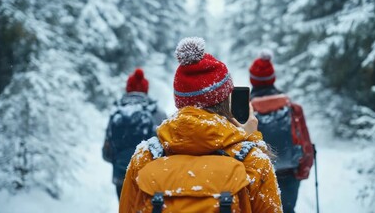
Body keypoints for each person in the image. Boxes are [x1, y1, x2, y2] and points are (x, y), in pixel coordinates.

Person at [119, 37, 283, 212]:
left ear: (180, 102)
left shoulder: (145, 157)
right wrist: (253, 141)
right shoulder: (253, 161)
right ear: (226, 100)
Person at [249, 50, 314, 213]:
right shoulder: (291, 108)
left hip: (257, 176)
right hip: (289, 173)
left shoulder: (245, 110)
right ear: (273, 78)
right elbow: (305, 144)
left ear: (252, 80)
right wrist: (302, 171)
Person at [102, 68, 167, 199]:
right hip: (148, 177)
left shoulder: (116, 112)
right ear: (146, 89)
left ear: (128, 89)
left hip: (121, 177)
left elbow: (107, 154)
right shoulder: (157, 112)